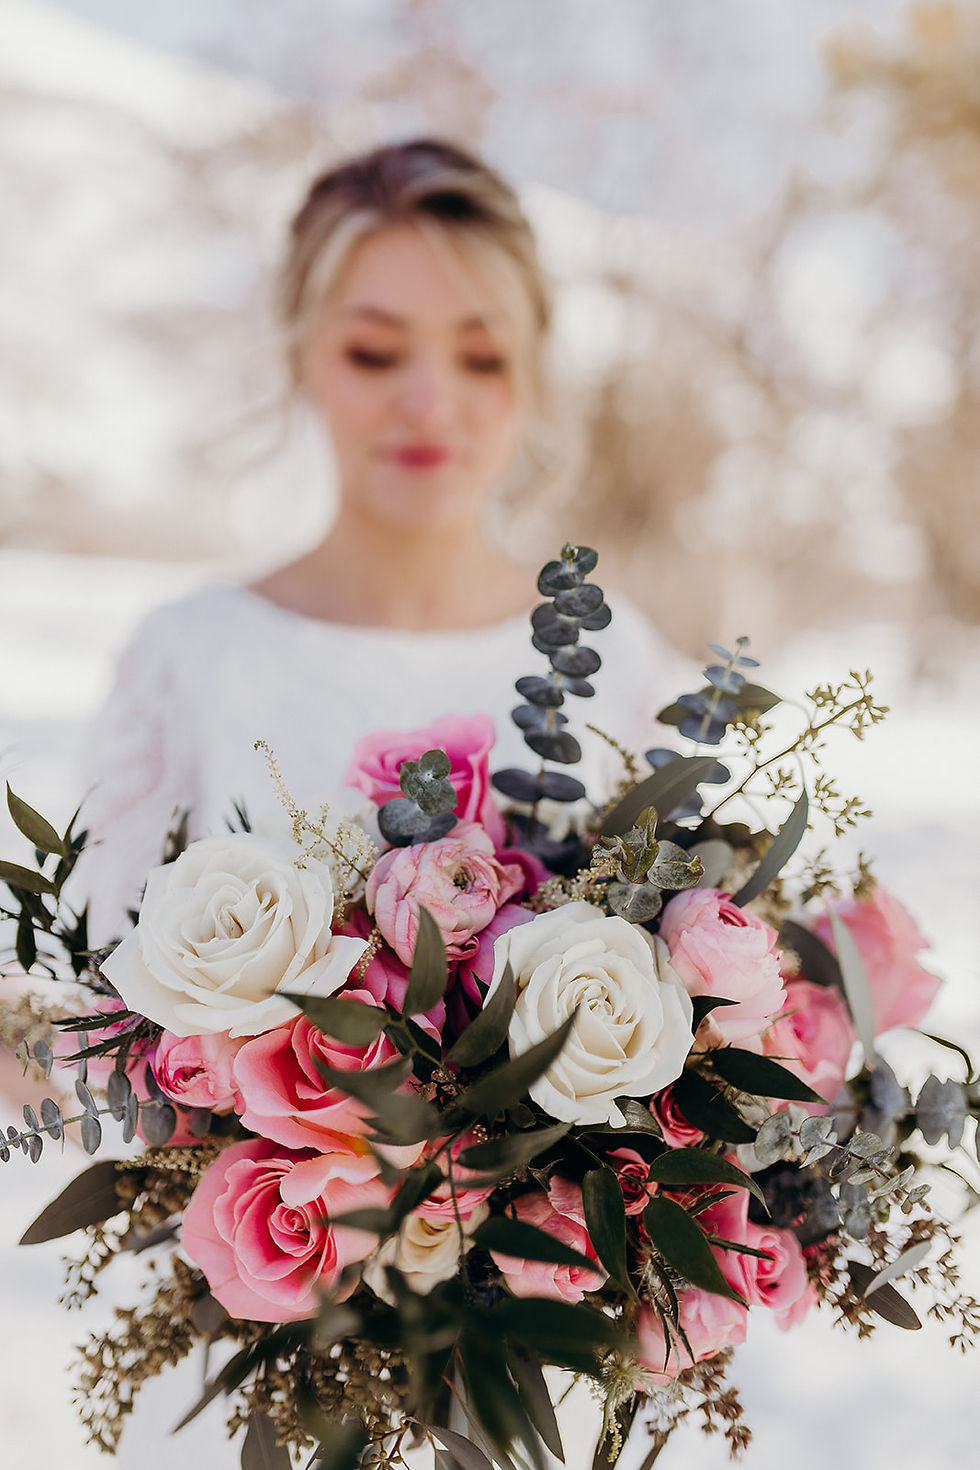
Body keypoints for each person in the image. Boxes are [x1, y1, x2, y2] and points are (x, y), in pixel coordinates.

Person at [80, 136, 683, 948]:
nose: (430, 402)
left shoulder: (612, 656)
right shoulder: (187, 659)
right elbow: (82, 1014)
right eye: (375, 353)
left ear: (530, 370)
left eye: (480, 357)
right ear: (305, 355)